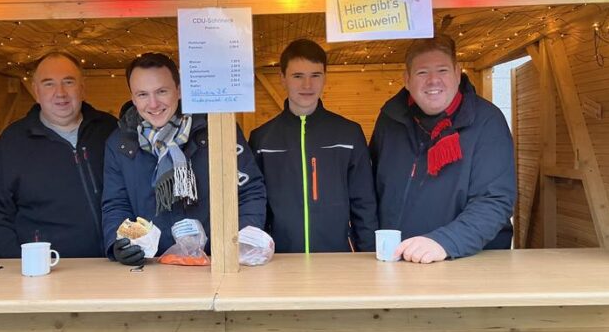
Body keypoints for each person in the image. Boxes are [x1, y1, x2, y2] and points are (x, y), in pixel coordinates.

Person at [102, 53, 266, 265]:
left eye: (162, 91)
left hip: (216, 264)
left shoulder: (217, 129)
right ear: (133, 98)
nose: (153, 103)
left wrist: (242, 241)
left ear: (178, 91)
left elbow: (249, 191)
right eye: (142, 94)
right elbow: (116, 205)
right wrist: (118, 243)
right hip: (151, 269)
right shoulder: (119, 143)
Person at [369, 34, 515, 264]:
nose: (433, 80)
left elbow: (494, 200)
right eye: (422, 72)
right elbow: (372, 189)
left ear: (458, 73)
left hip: (468, 261)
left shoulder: (487, 122)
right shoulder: (390, 120)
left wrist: (446, 242)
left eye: (442, 70)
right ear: (407, 80)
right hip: (397, 261)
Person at [0, 52, 118, 258]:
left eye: (68, 82)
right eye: (49, 84)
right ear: (36, 91)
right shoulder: (13, 141)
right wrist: (19, 264)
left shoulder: (110, 130)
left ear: (82, 87)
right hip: (45, 272)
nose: (60, 93)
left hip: (113, 265)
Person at [249, 39, 378, 253]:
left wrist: (370, 255)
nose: (307, 85)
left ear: (324, 78)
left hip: (338, 260)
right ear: (282, 79)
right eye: (298, 76)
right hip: (279, 261)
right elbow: (255, 204)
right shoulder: (262, 139)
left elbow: (364, 202)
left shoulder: (349, 134)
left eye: (315, 75)